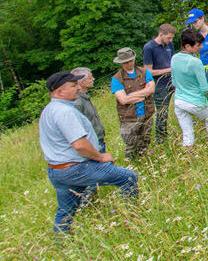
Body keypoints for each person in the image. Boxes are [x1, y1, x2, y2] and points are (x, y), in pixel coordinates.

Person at [39, 71, 138, 234]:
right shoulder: (64, 112)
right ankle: (133, 220)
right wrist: (100, 157)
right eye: (73, 86)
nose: (78, 88)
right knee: (128, 177)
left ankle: (61, 243)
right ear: (59, 91)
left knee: (65, 211)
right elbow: (79, 145)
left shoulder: (49, 110)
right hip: (75, 168)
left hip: (57, 170)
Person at [171, 29, 208, 147]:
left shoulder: (174, 58)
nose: (201, 47)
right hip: (195, 101)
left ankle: (188, 156)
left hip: (179, 101)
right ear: (187, 46)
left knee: (187, 133)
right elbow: (204, 87)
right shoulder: (196, 62)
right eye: (198, 45)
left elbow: (174, 81)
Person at [111, 47, 155, 159]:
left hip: (147, 113)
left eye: (130, 61)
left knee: (145, 141)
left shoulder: (145, 72)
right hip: (129, 117)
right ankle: (131, 165)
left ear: (134, 59)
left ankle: (144, 161)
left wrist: (131, 96)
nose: (129, 64)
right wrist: (143, 94)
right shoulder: (116, 79)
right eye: (125, 62)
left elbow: (151, 89)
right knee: (131, 144)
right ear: (121, 63)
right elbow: (123, 100)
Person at [142, 24, 175, 143]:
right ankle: (161, 139)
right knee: (162, 113)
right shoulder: (149, 48)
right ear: (161, 34)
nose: (170, 41)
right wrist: (168, 70)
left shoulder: (169, 45)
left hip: (173, 81)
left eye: (172, 38)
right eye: (169, 38)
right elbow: (148, 71)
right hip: (159, 85)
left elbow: (173, 61)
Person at [72, 67, 106, 153]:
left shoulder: (85, 97)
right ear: (82, 82)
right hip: (92, 144)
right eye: (90, 78)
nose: (93, 79)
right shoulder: (78, 102)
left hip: (98, 141)